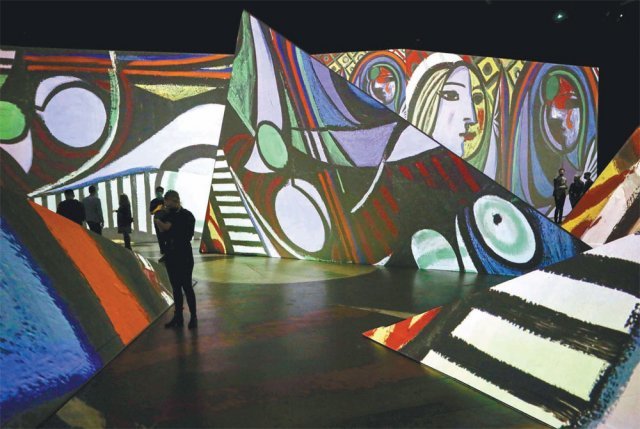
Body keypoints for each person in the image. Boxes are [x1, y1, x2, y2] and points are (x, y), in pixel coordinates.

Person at [154, 190, 197, 329]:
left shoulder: (187, 216)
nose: (166, 205)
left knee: (187, 286)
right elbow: (163, 233)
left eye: (167, 202)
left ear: (174, 200)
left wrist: (161, 223)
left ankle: (193, 317)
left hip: (184, 256)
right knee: (176, 288)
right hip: (172, 255)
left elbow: (184, 235)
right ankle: (178, 317)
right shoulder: (170, 215)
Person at [149, 186, 167, 262]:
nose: (159, 193)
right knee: (160, 237)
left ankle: (168, 253)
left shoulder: (166, 200)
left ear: (162, 192)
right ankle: (163, 252)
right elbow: (151, 212)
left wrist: (164, 208)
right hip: (157, 221)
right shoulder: (153, 201)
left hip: (165, 221)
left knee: (166, 236)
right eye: (157, 192)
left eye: (160, 192)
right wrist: (157, 208)